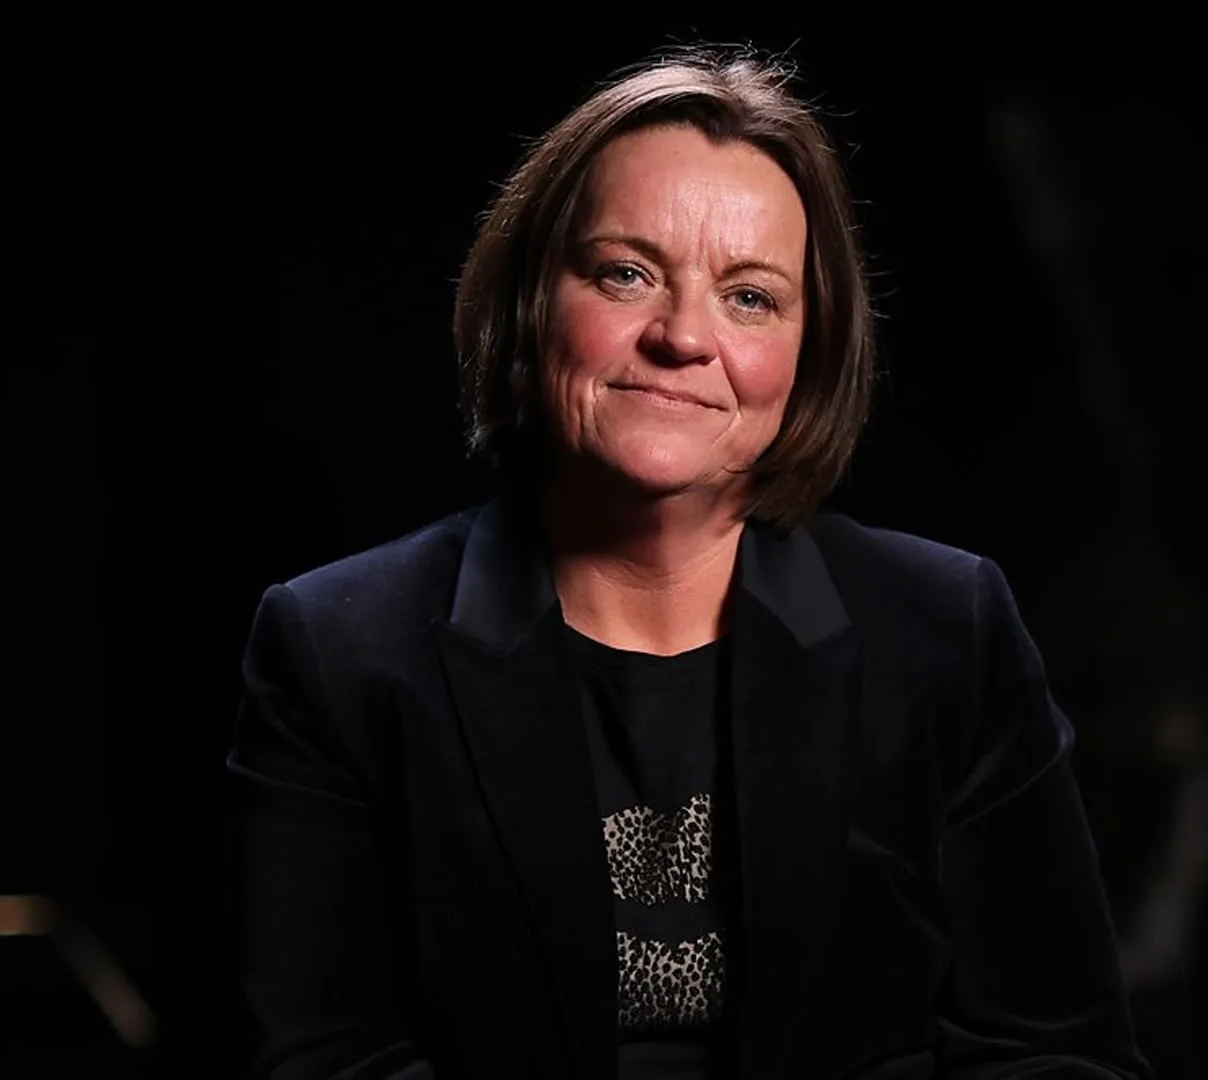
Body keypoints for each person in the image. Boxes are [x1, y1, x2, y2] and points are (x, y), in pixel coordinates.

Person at [225, 47, 1150, 1079]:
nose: (682, 337)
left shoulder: (948, 630)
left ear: (809, 353)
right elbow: (321, 1061)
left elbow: (1058, 1053)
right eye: (625, 273)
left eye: (750, 297)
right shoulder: (338, 651)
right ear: (530, 303)